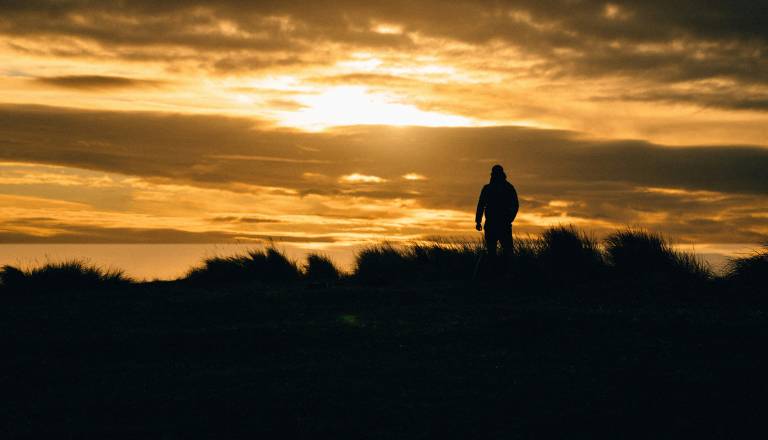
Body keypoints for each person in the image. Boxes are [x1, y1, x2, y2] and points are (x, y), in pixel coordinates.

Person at [475, 164, 519, 275]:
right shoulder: (508, 188)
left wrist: (478, 221)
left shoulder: (489, 188)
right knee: (503, 252)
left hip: (497, 224)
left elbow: (481, 205)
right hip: (497, 224)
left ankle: (500, 275)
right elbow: (481, 205)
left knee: (497, 252)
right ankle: (503, 275)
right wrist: (478, 221)